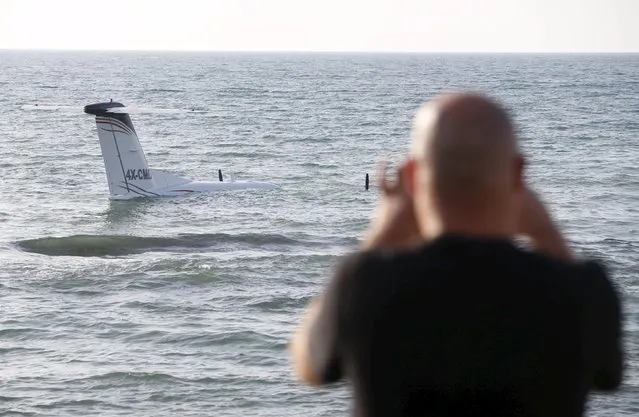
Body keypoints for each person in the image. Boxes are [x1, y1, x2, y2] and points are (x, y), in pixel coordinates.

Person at [289, 93, 623, 417]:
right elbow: (608, 378)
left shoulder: (364, 283)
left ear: (412, 177)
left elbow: (310, 366)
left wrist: (384, 232)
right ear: (518, 174)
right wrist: (544, 229)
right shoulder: (583, 291)